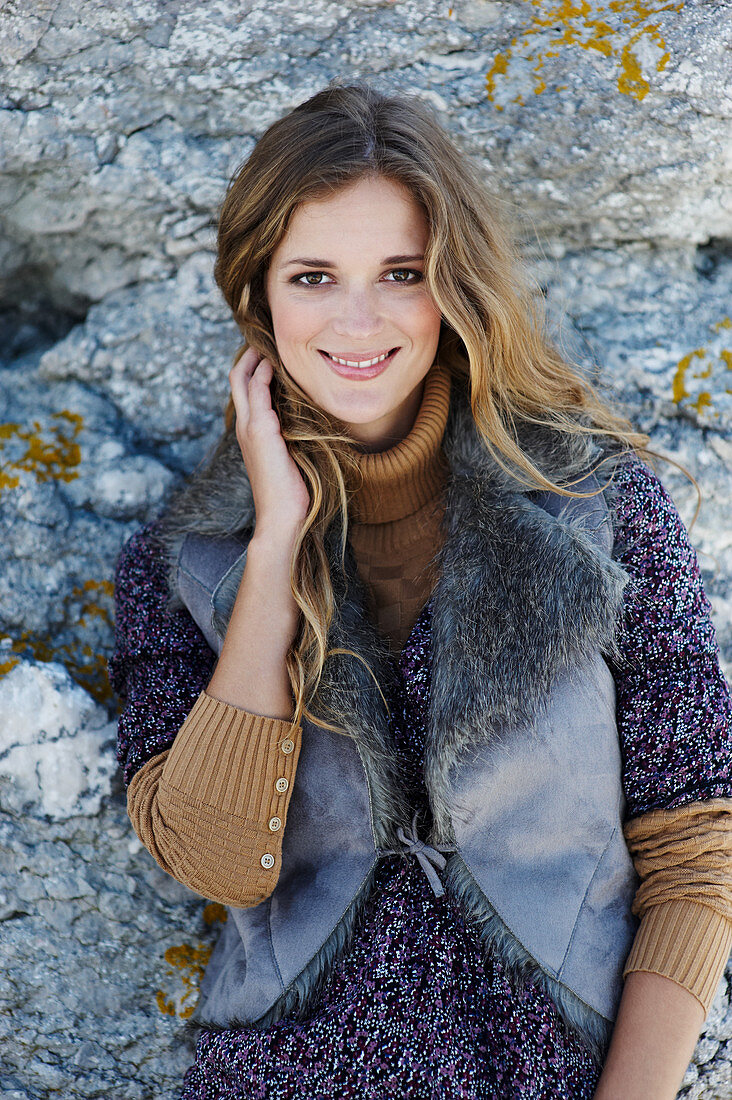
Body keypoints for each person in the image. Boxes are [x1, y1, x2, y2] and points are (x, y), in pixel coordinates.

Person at [109, 82, 732, 1099]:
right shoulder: (180, 563)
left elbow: (698, 850)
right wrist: (272, 550)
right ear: (259, 290)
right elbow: (220, 862)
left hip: (554, 1071)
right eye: (313, 274)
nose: (358, 320)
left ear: (454, 284)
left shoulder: (601, 512)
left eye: (401, 272)